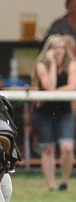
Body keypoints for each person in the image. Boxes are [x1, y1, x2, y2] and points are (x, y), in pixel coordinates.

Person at [31, 34, 76, 191]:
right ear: (49, 50)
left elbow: (72, 86)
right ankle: (51, 185)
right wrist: (51, 64)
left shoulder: (71, 64)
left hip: (63, 111)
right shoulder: (42, 64)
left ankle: (64, 181)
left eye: (62, 48)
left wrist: (53, 93)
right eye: (56, 48)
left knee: (67, 147)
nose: (60, 51)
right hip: (43, 112)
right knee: (47, 148)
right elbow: (48, 86)